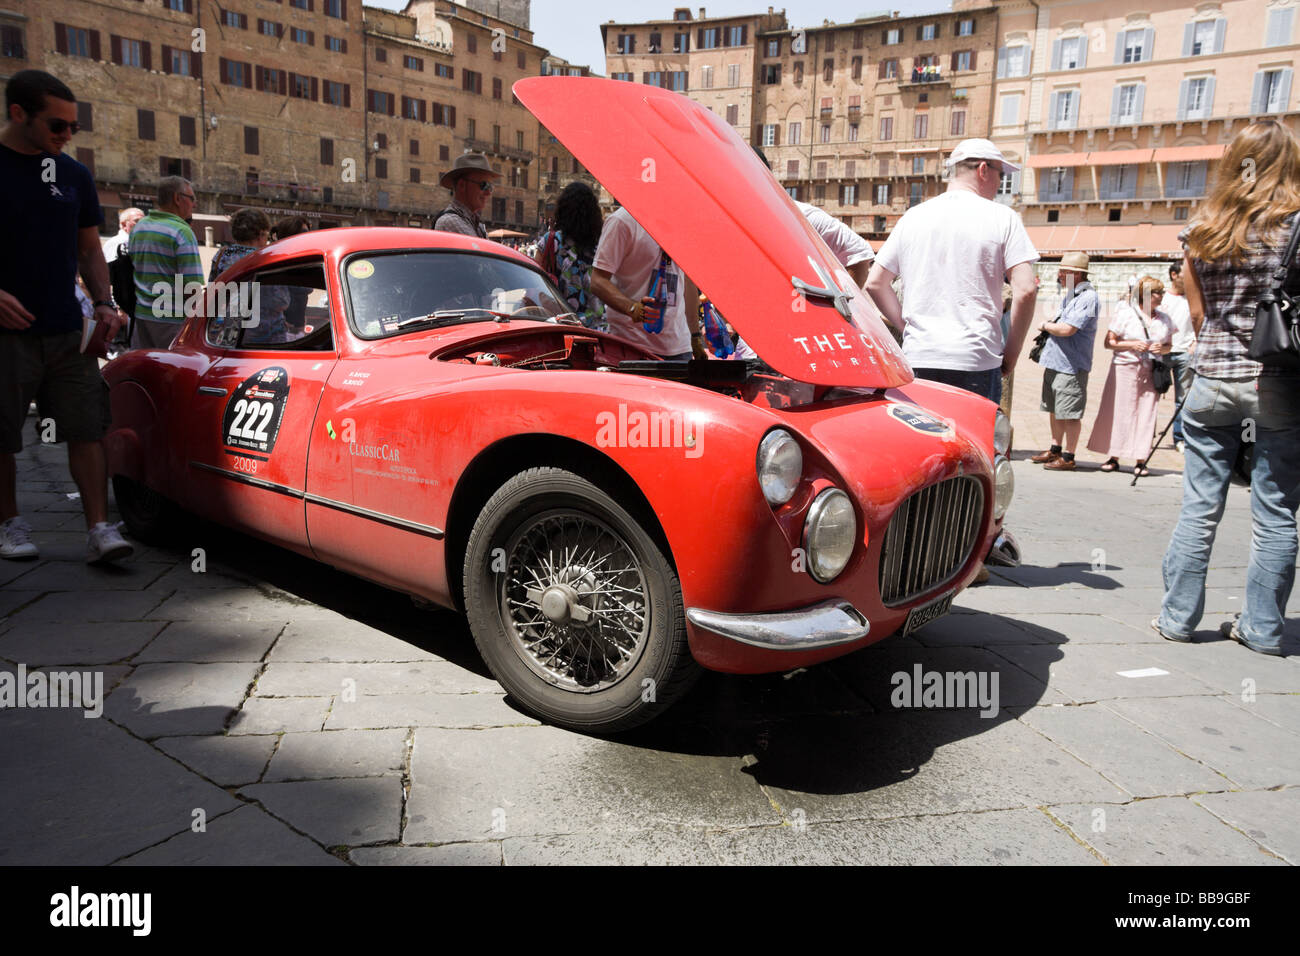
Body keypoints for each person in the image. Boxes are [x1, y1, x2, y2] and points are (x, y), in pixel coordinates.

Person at [1154, 120, 1300, 656]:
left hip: (1212, 377)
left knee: (1199, 505)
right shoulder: (1295, 227)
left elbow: (1198, 314)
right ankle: (1261, 629)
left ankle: (1177, 619)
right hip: (1276, 382)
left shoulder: (1203, 230)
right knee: (1276, 511)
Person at [0, 69, 131, 563]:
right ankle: (9, 524)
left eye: (73, 127)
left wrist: (104, 302)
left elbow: (89, 250)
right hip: (5, 334)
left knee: (86, 427)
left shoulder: (72, 174)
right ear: (19, 114)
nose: (67, 136)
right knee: (3, 436)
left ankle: (99, 529)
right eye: (57, 126)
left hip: (67, 330)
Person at [866, 138, 1039, 404]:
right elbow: (1026, 289)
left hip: (919, 357)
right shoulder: (1002, 217)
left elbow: (876, 283)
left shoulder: (914, 216)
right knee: (973, 445)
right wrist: (1010, 356)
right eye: (1000, 174)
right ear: (983, 169)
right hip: (976, 360)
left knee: (923, 443)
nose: (999, 183)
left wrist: (905, 326)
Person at [1086, 275, 1174, 475]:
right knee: (1119, 411)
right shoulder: (1125, 313)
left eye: (1161, 292)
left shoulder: (1165, 318)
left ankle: (1141, 458)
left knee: (1147, 413)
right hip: (1125, 367)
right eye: (1156, 293)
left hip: (1151, 370)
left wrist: (1163, 348)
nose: (1160, 296)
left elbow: (1170, 346)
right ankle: (1114, 456)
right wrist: (1132, 345)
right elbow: (1109, 342)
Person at [589, 206, 702, 360]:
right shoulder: (622, 221)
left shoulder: (682, 223)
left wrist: (694, 336)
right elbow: (597, 281)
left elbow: (688, 281)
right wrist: (632, 308)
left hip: (679, 349)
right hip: (631, 346)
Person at [1030, 253, 1099, 471]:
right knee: (1053, 408)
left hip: (1071, 365)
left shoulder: (1088, 298)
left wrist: (1045, 325)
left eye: (1063, 272)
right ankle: (1055, 448)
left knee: (1069, 412)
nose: (1059, 275)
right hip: (1057, 361)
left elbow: (1068, 329)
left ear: (1077, 274)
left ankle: (1069, 456)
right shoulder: (1072, 295)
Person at [129, 176, 202, 349]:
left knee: (144, 370)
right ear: (177, 199)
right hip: (171, 321)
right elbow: (192, 288)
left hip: (141, 316)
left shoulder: (140, 226)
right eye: (192, 199)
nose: (194, 204)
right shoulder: (181, 231)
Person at [534, 182, 606, 330]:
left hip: (560, 327)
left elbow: (534, 282)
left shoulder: (551, 240)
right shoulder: (602, 244)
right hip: (596, 329)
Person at [1161, 260, 1197, 452]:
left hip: (1185, 352)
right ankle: (1145, 438)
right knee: (1153, 394)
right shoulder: (1162, 298)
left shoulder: (1194, 297)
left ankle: (1179, 438)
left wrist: (1195, 342)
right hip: (1162, 352)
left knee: (1182, 398)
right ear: (1174, 275)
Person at [434, 153, 501, 238]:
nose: (488, 193)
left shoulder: (474, 224)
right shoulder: (450, 222)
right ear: (462, 185)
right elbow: (480, 250)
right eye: (484, 185)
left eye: (490, 187)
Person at [208, 207, 270, 282]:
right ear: (261, 234)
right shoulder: (265, 260)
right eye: (267, 234)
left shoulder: (221, 255)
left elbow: (211, 288)